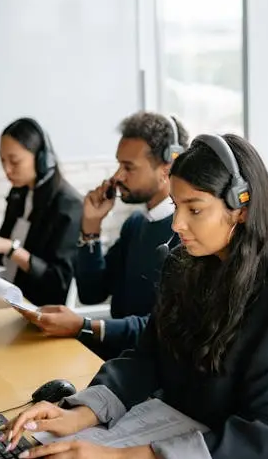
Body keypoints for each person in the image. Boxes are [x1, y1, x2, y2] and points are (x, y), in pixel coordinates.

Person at [3, 134, 268, 459]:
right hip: (186, 429)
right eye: (176, 206)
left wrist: (124, 457)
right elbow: (149, 357)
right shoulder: (185, 264)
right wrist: (81, 414)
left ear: (241, 208)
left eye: (195, 209)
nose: (177, 224)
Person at [18, 112, 188, 361]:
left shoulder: (186, 236)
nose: (118, 176)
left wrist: (83, 326)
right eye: (119, 165)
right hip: (118, 361)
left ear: (167, 169)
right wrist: (91, 226)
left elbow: (162, 328)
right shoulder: (136, 224)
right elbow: (91, 292)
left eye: (128, 167)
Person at [0, 118, 83, 307]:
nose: (7, 170)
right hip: (7, 294)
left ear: (41, 159)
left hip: (36, 307)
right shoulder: (19, 192)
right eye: (2, 160)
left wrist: (11, 249)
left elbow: (57, 282)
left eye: (14, 161)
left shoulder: (68, 204)